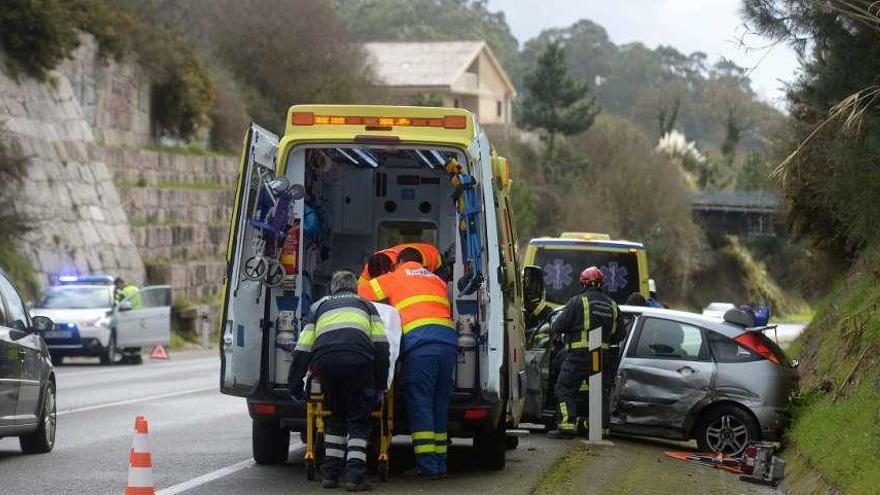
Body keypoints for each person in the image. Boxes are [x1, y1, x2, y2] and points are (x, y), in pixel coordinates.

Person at [358, 247, 456, 479]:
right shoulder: (437, 280)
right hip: (448, 345)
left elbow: (361, 291)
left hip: (422, 346)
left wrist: (367, 271)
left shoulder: (394, 277)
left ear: (399, 262)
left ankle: (427, 466)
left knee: (420, 404)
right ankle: (440, 463)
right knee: (439, 404)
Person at [288, 271, 389, 492]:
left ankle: (330, 475)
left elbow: (303, 347)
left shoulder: (318, 307)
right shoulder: (367, 306)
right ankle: (355, 478)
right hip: (359, 363)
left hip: (326, 365)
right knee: (358, 421)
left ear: (332, 288)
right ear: (355, 288)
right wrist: (381, 383)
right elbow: (381, 346)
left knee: (334, 417)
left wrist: (294, 383)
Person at [547, 266, 622, 439]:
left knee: (564, 387)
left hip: (579, 355)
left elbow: (559, 326)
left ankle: (566, 425)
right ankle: (600, 428)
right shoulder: (613, 305)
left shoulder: (577, 301)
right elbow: (620, 334)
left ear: (583, 283)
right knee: (599, 391)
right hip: (600, 356)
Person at [357, 242, 442, 284]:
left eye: (383, 275)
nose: (381, 279)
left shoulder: (405, 262)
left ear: (392, 266)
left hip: (434, 258)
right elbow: (360, 288)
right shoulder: (370, 267)